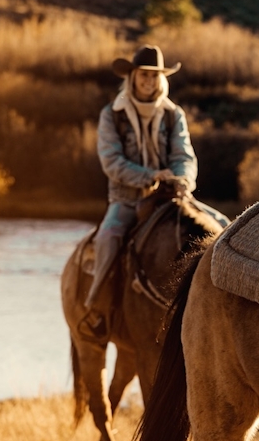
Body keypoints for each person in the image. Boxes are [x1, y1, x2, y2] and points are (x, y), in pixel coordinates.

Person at [80, 44, 198, 339]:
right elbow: (112, 162)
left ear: (162, 79)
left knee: (218, 228)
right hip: (127, 200)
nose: (149, 81)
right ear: (132, 77)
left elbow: (184, 156)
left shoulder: (174, 115)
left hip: (171, 200)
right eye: (144, 75)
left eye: (155, 75)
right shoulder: (112, 115)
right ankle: (98, 311)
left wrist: (182, 178)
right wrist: (150, 176)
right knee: (108, 238)